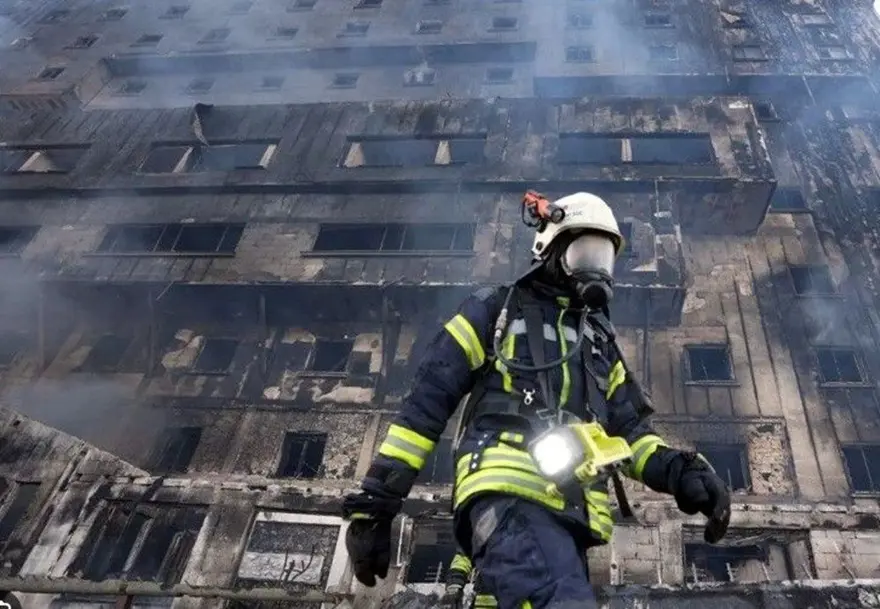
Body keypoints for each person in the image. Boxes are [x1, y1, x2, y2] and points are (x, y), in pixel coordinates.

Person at [341, 192, 731, 609]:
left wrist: (678, 471)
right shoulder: (496, 311)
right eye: (585, 253)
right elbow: (424, 406)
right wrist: (376, 505)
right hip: (507, 488)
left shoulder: (599, 345)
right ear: (551, 246)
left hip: (569, 511)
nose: (595, 268)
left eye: (604, 258)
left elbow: (631, 433)